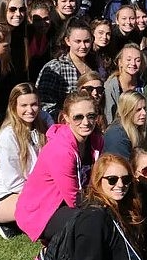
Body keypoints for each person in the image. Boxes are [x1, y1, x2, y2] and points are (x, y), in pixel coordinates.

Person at [16, 91, 103, 245]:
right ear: (66, 118)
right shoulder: (61, 151)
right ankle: (51, 253)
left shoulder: (96, 141)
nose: (86, 122)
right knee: (92, 223)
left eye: (91, 116)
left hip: (64, 203)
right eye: (78, 117)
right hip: (41, 211)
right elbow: (74, 199)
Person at [0, 83, 50, 239]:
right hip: (3, 197)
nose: (30, 110)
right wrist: (42, 191)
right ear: (14, 106)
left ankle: (18, 222)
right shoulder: (8, 136)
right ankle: (3, 221)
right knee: (49, 204)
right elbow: (13, 183)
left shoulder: (44, 121)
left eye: (34, 104)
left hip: (32, 188)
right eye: (24, 105)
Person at [37, 18, 96, 120]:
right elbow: (44, 105)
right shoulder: (55, 67)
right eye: (78, 41)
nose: (83, 46)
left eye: (87, 41)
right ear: (67, 41)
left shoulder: (96, 64)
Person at [104, 44, 142, 124]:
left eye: (137, 60)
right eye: (128, 59)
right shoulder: (111, 86)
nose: (133, 63)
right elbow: (109, 117)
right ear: (120, 62)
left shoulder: (143, 85)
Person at [103, 90, 147, 159]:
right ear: (127, 110)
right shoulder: (117, 134)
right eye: (138, 110)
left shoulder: (135, 130)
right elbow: (122, 166)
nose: (144, 113)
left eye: (144, 108)